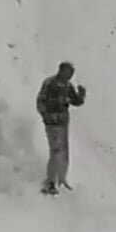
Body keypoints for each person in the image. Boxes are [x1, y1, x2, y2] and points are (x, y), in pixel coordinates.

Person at [36, 61, 86, 195]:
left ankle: (62, 179)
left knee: (64, 152)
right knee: (56, 151)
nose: (70, 76)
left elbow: (75, 101)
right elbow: (40, 101)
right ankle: (50, 182)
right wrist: (46, 116)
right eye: (69, 72)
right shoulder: (49, 83)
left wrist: (81, 95)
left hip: (63, 123)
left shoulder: (68, 86)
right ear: (61, 71)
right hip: (52, 123)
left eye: (71, 73)